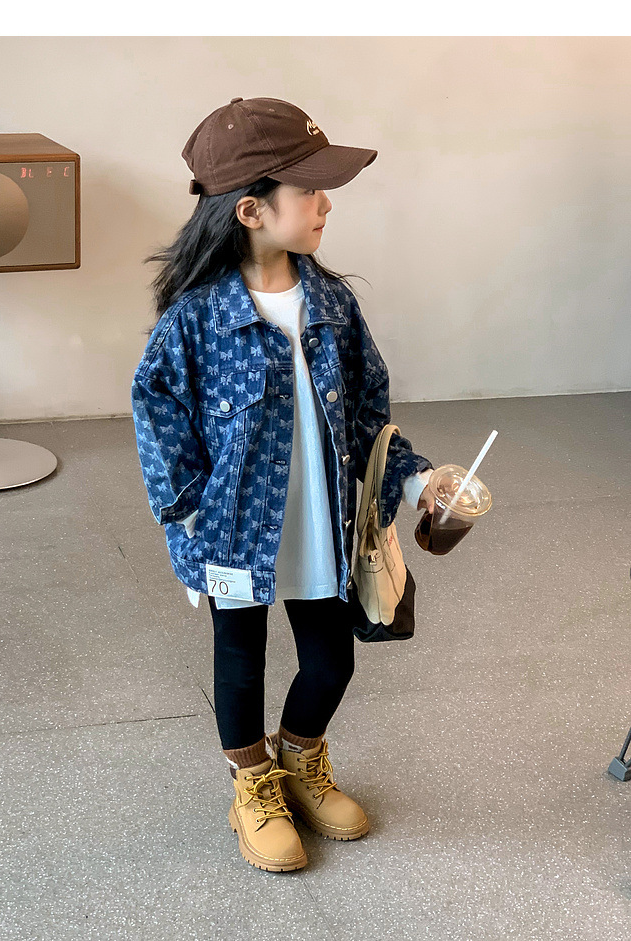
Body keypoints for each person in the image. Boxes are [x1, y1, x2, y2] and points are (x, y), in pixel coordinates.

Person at [131, 97, 436, 873]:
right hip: (234, 532)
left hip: (322, 524)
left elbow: (370, 417)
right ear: (251, 211)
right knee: (239, 661)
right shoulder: (195, 322)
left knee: (332, 661)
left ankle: (299, 760)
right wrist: (187, 521)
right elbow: (158, 417)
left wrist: (416, 479)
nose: (326, 203)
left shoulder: (333, 305)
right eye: (309, 190)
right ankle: (253, 786)